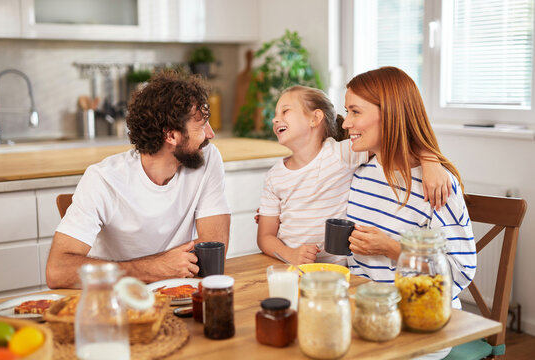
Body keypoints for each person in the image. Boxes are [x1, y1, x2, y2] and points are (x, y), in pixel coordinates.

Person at [46, 70, 231, 289]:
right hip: (115, 300)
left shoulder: (207, 158)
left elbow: (214, 248)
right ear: (170, 135)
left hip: (179, 294)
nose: (211, 134)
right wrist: (153, 268)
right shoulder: (103, 179)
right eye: (201, 126)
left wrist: (162, 268)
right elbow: (57, 271)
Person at [343, 67, 476, 359]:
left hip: (421, 318)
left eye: (355, 112)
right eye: (346, 111)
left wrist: (393, 249)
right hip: (368, 310)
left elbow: (460, 273)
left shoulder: (436, 185)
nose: (346, 123)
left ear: (390, 113)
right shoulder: (360, 171)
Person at [257, 85, 452, 265]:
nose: (275, 119)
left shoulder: (341, 154)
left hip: (339, 273)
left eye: (285, 111)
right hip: (289, 268)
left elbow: (394, 141)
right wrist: (288, 254)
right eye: (275, 114)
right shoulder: (275, 176)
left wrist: (430, 161)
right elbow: (265, 237)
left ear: (315, 118)